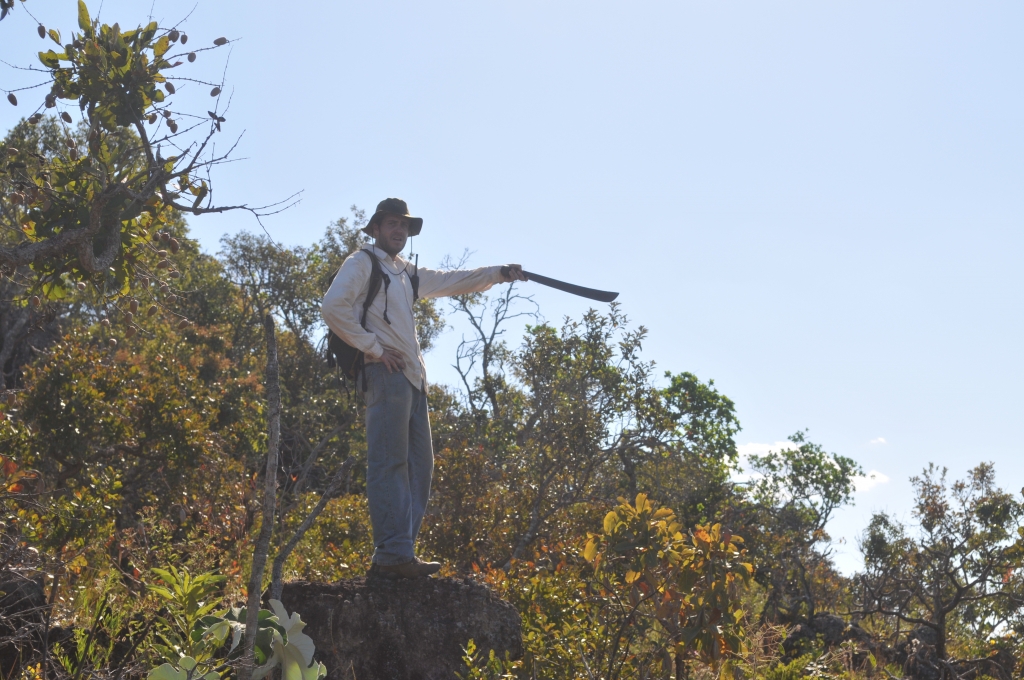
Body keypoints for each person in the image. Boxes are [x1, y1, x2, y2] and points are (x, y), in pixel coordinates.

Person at [321, 198, 527, 579]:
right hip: (385, 374)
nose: (398, 230)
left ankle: (400, 553)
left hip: (413, 379)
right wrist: (374, 348)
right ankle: (392, 556)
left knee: (421, 466)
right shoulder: (362, 261)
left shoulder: (406, 273)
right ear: (377, 229)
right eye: (391, 224)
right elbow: (333, 306)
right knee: (388, 462)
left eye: (404, 225)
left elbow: (453, 280)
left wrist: (500, 272)